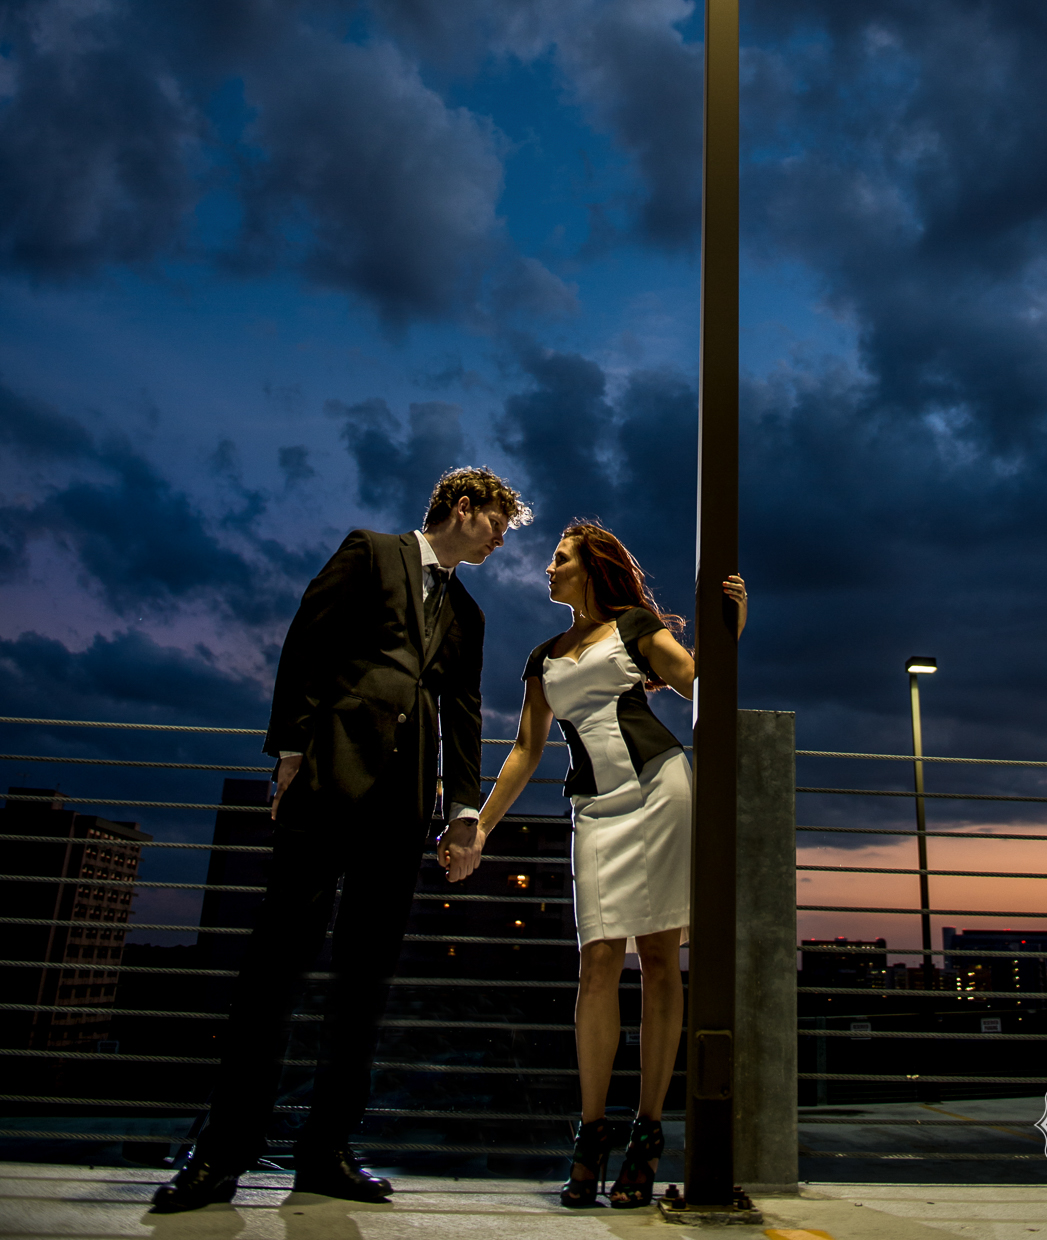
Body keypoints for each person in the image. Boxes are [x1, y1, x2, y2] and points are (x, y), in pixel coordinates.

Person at [152, 465, 531, 1214]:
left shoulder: (470, 617)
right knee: (273, 973)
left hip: (402, 809)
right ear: (463, 508)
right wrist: (291, 749)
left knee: (363, 985)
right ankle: (220, 1154)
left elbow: (462, 715)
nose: (498, 541)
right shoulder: (369, 552)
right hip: (327, 782)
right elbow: (306, 644)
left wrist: (462, 813)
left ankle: (324, 1153)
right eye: (495, 524)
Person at [465, 520, 747, 1209]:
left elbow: (691, 681)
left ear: (591, 567)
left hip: (658, 791)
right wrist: (476, 827)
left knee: (656, 960)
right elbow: (525, 753)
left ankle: (645, 1138)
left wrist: (728, 625)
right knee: (596, 962)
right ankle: (590, 1138)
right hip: (593, 811)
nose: (548, 569)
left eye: (558, 559)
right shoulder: (544, 656)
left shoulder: (634, 625)